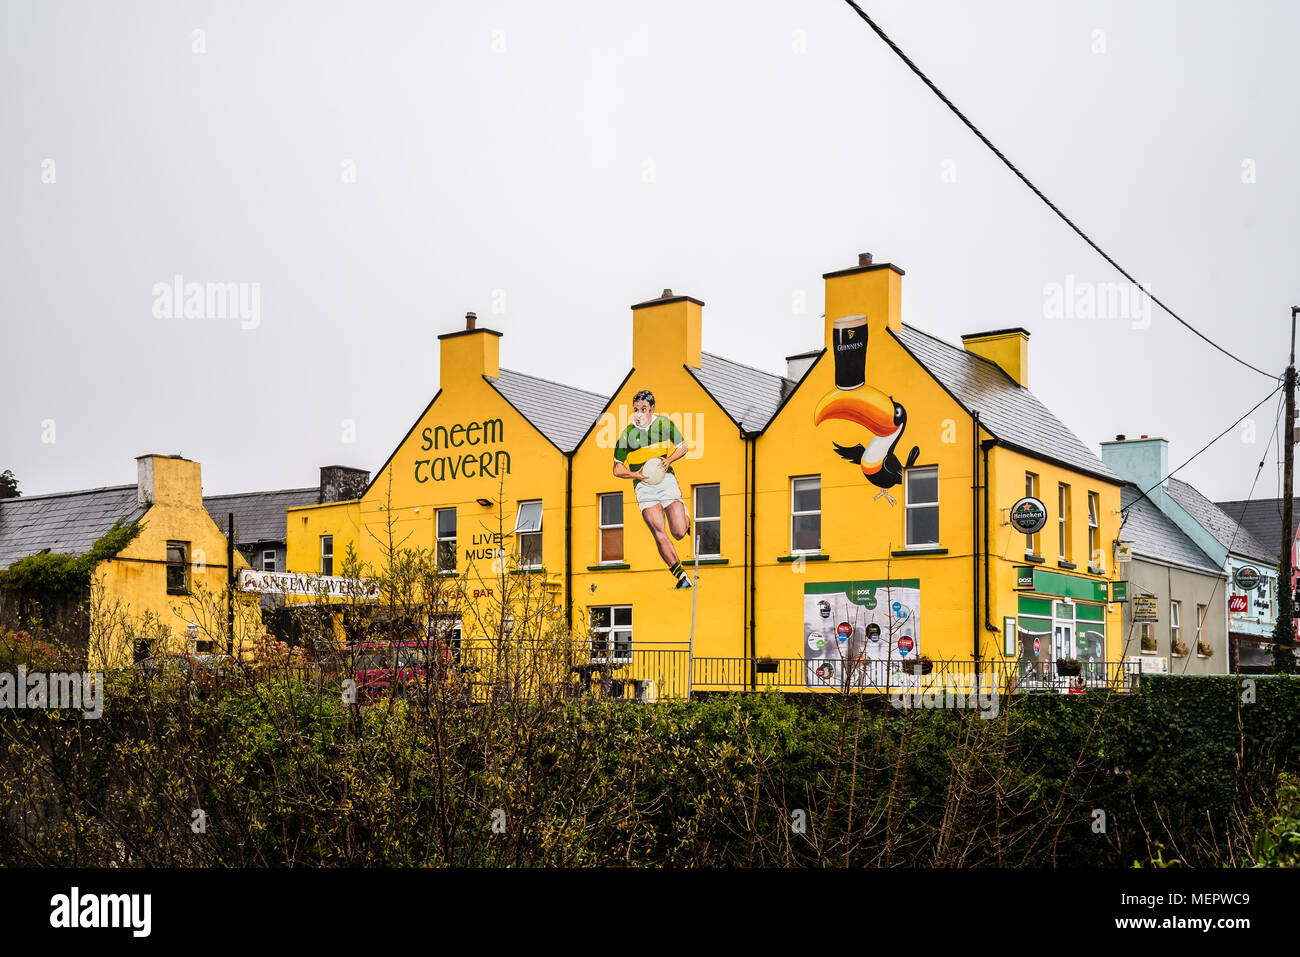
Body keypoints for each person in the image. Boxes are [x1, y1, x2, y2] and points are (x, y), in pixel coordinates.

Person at [612, 389, 693, 589]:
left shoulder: (664, 424)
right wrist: (635, 475)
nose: (639, 413)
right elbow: (617, 468)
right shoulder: (627, 434)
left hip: (665, 480)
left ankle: (685, 516)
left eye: (643, 409)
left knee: (679, 532)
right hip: (644, 486)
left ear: (652, 409)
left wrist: (669, 460)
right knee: (657, 529)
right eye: (636, 409)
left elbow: (683, 446)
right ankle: (681, 576)